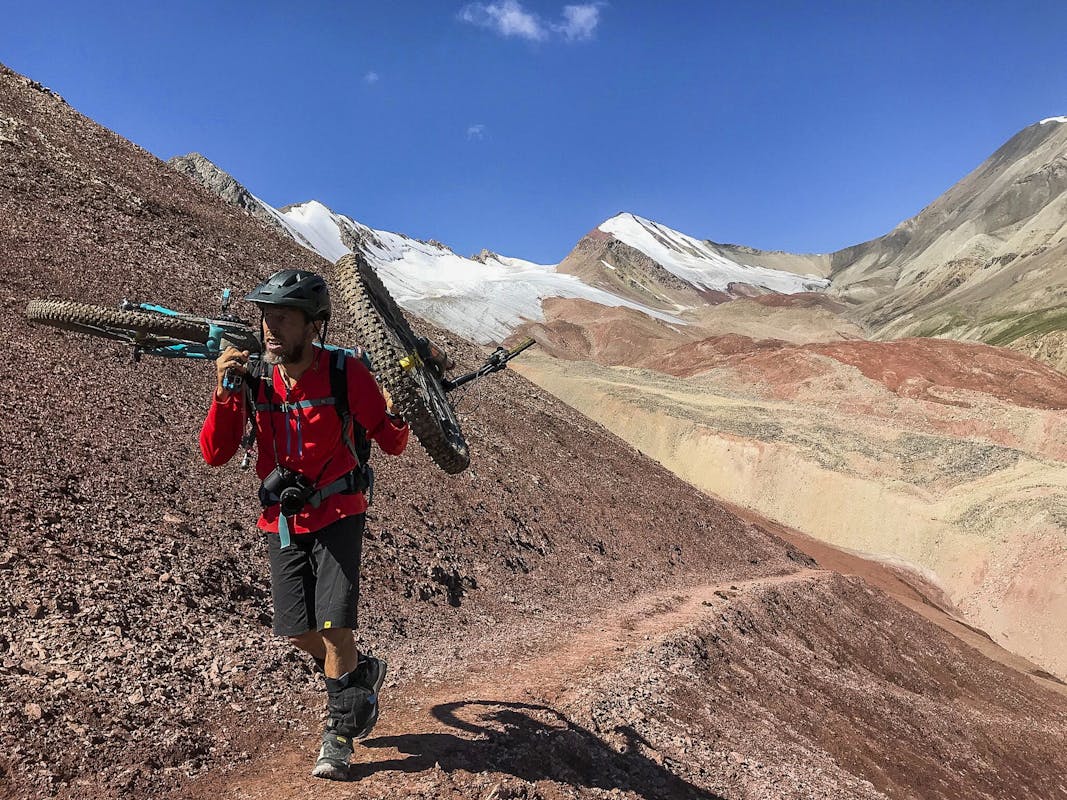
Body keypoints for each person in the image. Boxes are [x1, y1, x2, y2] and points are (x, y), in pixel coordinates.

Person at [199, 269, 409, 780]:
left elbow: (392, 440)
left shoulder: (344, 373)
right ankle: (361, 674)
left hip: (339, 509)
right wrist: (226, 393)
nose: (271, 329)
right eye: (267, 317)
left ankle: (338, 737)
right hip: (283, 519)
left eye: (284, 318)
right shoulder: (255, 380)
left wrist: (402, 410)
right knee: (296, 631)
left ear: (313, 325)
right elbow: (216, 453)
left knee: (335, 626)